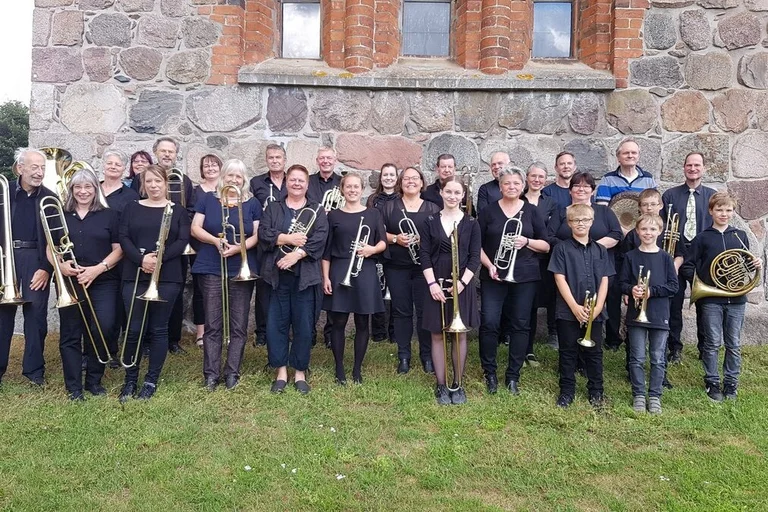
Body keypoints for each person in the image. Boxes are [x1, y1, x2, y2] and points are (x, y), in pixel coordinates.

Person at [47, 169, 124, 400]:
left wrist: (98, 269)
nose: (83, 191)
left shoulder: (110, 215)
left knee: (103, 327)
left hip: (103, 280)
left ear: (95, 189)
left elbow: (119, 249)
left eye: (88, 186)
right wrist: (60, 266)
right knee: (70, 333)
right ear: (71, 190)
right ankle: (73, 387)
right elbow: (50, 248)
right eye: (78, 187)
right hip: (70, 281)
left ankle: (93, 380)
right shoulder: (61, 215)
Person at [118, 165, 191, 401]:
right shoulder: (131, 207)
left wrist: (158, 259)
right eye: (148, 181)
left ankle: (151, 380)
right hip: (135, 273)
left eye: (158, 181)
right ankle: (130, 379)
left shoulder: (178, 210)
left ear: (165, 183)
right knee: (134, 329)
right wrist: (142, 260)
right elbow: (123, 237)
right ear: (143, 184)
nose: (153, 185)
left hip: (167, 275)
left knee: (159, 329)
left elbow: (182, 240)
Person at [681, 192, 761, 402]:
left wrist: (755, 264)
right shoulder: (702, 238)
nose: (724, 214)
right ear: (711, 211)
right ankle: (712, 381)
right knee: (712, 342)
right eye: (719, 210)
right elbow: (687, 266)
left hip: (737, 299)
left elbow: (745, 265)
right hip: (711, 299)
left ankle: (731, 382)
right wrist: (705, 282)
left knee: (733, 344)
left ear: (733, 212)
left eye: (728, 210)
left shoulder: (739, 236)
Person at [478, 167, 550, 395]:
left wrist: (526, 241)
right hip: (493, 275)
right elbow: (476, 245)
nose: (511, 187)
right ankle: (489, 372)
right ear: (500, 187)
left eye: (516, 183)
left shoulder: (532, 212)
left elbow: (546, 245)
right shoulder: (488, 212)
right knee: (489, 322)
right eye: (507, 183)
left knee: (520, 324)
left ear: (522, 186)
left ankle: (513, 376)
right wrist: (489, 265)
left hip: (525, 276)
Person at [191, 159, 261, 391]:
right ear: (223, 176)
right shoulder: (208, 199)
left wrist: (238, 248)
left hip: (241, 266)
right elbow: (195, 228)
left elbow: (257, 235)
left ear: (244, 180)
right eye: (230, 175)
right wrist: (215, 241)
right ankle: (211, 373)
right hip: (211, 265)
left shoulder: (252, 203)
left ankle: (232, 371)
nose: (234, 180)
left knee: (239, 324)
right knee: (213, 323)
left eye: (238, 176)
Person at [259, 164, 328, 394]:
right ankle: (280, 371)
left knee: (304, 326)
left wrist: (296, 255)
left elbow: (320, 237)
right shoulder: (273, 208)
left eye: (301, 180)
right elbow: (264, 233)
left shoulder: (316, 210)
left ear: (307, 185)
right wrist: (288, 238)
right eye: (293, 180)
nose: (297, 184)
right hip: (276, 277)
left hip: (304, 277)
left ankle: (299, 372)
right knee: (275, 325)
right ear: (286, 182)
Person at [322, 172, 387, 385]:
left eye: (356, 186)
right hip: (340, 269)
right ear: (342, 190)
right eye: (348, 186)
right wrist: (326, 278)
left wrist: (371, 249)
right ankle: (339, 368)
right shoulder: (333, 216)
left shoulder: (373, 214)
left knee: (362, 321)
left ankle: (357, 369)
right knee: (338, 321)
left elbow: (383, 242)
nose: (352, 190)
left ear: (362, 189)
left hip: (364, 269)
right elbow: (326, 251)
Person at [421, 177, 481, 405]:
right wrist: (432, 285)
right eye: (449, 192)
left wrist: (462, 284)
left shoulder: (472, 223)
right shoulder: (429, 222)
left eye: (457, 193)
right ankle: (441, 385)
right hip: (435, 281)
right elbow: (424, 255)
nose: (452, 196)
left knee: (459, 334)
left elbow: (475, 257)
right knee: (437, 333)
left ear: (463, 196)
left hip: (462, 283)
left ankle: (458, 384)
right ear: (442, 193)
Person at [548, 203, 614, 409]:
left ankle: (596, 391)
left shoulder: (601, 250)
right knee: (567, 351)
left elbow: (605, 279)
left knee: (594, 352)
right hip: (568, 310)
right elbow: (559, 278)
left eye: (585, 220)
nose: (581, 223)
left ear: (592, 222)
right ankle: (567, 391)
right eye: (576, 220)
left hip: (595, 312)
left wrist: (598, 307)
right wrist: (575, 307)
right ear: (569, 223)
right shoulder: (561, 249)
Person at [133, 137, 194, 355]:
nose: (167, 154)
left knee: (175, 294)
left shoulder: (184, 180)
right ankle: (146, 341)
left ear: (176, 155)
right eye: (163, 151)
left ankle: (172, 339)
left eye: (171, 151)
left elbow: (190, 209)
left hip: (175, 246)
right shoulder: (141, 178)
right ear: (156, 153)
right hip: (147, 247)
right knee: (144, 293)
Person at [0, 148, 55, 387]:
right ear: (20, 168)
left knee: (36, 316)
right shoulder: (4, 192)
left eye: (42, 168)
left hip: (36, 259)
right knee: (2, 316)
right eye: (34, 167)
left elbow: (55, 240)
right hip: (5, 258)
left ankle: (34, 371)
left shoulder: (50, 198)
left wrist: (46, 268)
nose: (39, 172)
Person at [380, 166, 440, 374]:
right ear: (401, 182)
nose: (411, 182)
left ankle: (427, 356)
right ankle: (403, 355)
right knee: (401, 311)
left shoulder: (433, 208)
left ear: (422, 183)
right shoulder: (389, 207)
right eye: (406, 178)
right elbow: (379, 233)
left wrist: (425, 240)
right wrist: (395, 239)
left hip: (424, 269)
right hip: (396, 267)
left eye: (415, 178)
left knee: (425, 312)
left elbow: (440, 236)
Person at [619, 213, 678, 414]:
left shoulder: (666, 258)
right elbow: (621, 283)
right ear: (637, 231)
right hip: (636, 315)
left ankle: (654, 396)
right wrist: (631, 289)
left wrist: (651, 291)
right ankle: (638, 394)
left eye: (653, 229)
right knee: (636, 357)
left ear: (660, 231)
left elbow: (673, 286)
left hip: (659, 313)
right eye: (644, 229)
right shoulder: (630, 257)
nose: (648, 233)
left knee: (658, 357)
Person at [662, 152, 716, 364]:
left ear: (704, 168)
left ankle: (705, 349)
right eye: (689, 165)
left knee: (704, 306)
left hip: (701, 260)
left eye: (697, 165)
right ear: (684, 168)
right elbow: (663, 227)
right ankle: (674, 348)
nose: (693, 169)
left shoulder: (712, 196)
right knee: (673, 306)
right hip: (675, 256)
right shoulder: (670, 195)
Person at [249, 144, 289, 347]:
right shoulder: (256, 182)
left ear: (284, 160)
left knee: (286, 286)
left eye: (278, 157)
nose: (274, 160)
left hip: (288, 240)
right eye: (271, 157)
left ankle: (284, 329)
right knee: (264, 287)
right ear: (266, 160)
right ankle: (262, 332)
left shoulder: (292, 181)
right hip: (265, 241)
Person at [522, 162, 558, 362]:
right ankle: (523, 346)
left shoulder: (551, 203)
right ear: (527, 178)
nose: (537, 180)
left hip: (543, 260)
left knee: (535, 304)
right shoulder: (518, 199)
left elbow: (550, 235)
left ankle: (530, 347)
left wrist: (533, 243)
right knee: (524, 305)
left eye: (541, 177)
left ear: (546, 180)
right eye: (533, 176)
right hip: (520, 259)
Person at [189, 153, 223, 347]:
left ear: (220, 167)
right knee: (201, 290)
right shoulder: (196, 192)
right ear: (202, 170)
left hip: (226, 246)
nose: (210, 168)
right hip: (201, 246)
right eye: (206, 166)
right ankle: (201, 332)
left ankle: (221, 329)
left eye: (214, 165)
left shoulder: (227, 189)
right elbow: (191, 217)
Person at [366, 163, 399, 344]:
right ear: (381, 178)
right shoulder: (373, 199)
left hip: (397, 250)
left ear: (396, 178)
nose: (388, 178)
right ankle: (378, 333)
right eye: (385, 175)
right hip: (378, 250)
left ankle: (394, 332)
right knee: (378, 291)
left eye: (392, 175)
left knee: (395, 293)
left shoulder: (401, 198)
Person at [595, 138, 658, 207]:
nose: (630, 156)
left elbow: (654, 207)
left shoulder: (648, 179)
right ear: (618, 157)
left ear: (638, 156)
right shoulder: (608, 180)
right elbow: (602, 209)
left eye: (634, 153)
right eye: (626, 153)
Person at [101, 150, 140, 214]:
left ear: (124, 169)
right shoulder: (93, 189)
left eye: (118, 165)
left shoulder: (131, 196)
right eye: (109, 163)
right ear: (103, 166)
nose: (113, 167)